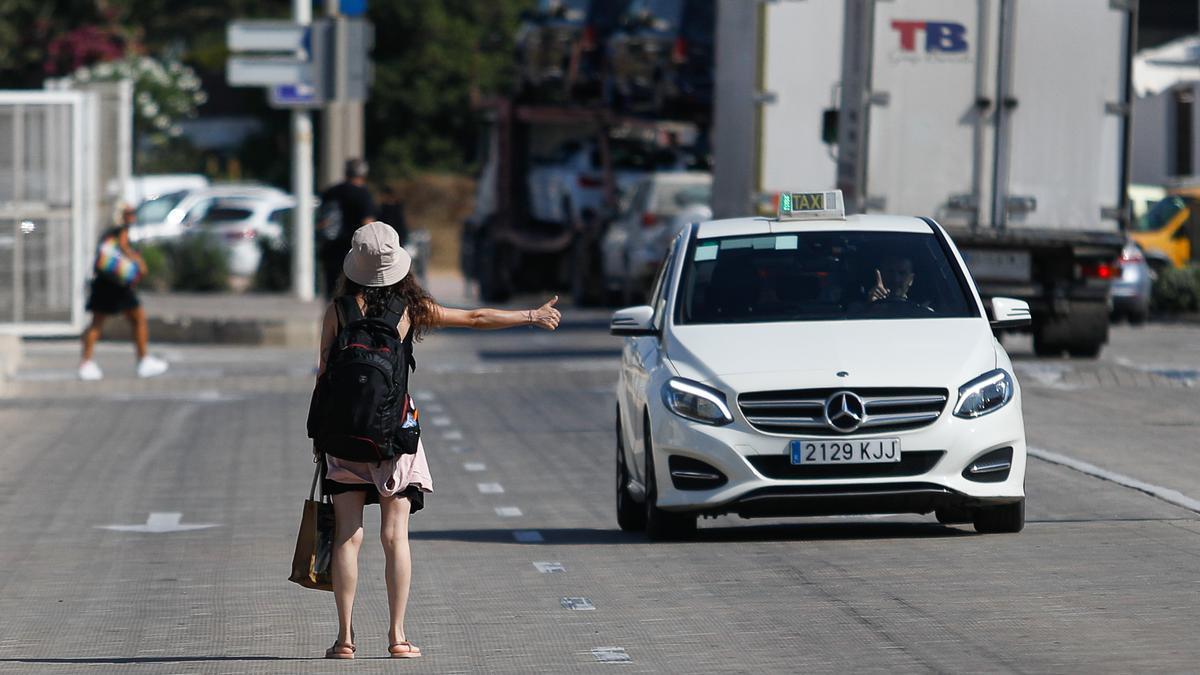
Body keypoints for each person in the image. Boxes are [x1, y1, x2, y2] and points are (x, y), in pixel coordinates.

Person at [317, 221, 561, 660]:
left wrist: (322, 438)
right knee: (395, 538)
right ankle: (397, 636)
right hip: (394, 438)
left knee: (347, 539)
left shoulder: (337, 311)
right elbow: (474, 317)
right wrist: (531, 315)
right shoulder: (409, 307)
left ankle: (344, 640)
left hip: (343, 437)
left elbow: (322, 376)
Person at [78, 204, 168, 380]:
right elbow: (123, 251)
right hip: (115, 286)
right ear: (121, 216)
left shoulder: (110, 233)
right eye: (129, 213)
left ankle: (87, 363)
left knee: (102, 322)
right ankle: (142, 361)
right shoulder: (119, 233)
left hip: (107, 284)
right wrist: (138, 262)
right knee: (133, 319)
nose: (133, 216)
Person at [318, 158, 378, 298]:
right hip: (353, 251)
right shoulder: (363, 194)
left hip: (330, 249)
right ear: (364, 174)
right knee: (354, 294)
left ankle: (331, 317)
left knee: (332, 292)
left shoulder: (331, 192)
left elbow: (322, 221)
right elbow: (368, 224)